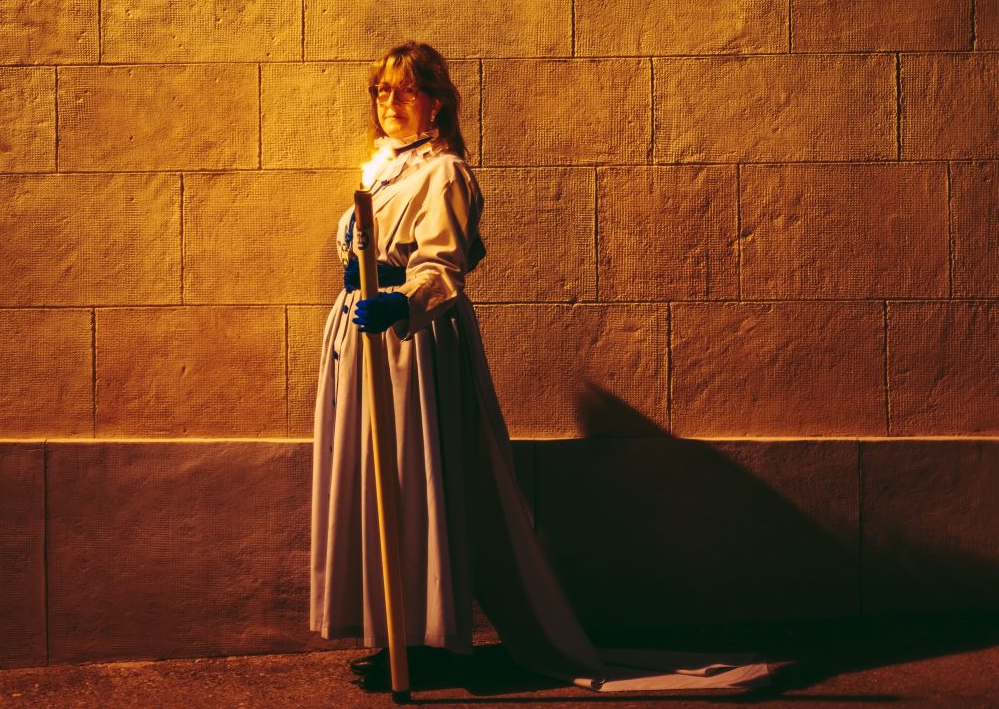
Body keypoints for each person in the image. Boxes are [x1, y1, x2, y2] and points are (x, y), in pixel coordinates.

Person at [309, 40, 773, 693]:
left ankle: (426, 643)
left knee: (418, 482)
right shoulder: (382, 170)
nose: (390, 102)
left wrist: (399, 302)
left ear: (436, 102)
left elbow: (443, 269)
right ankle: (393, 634)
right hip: (365, 343)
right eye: (382, 90)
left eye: (406, 89)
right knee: (378, 479)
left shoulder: (446, 174)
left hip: (413, 348)